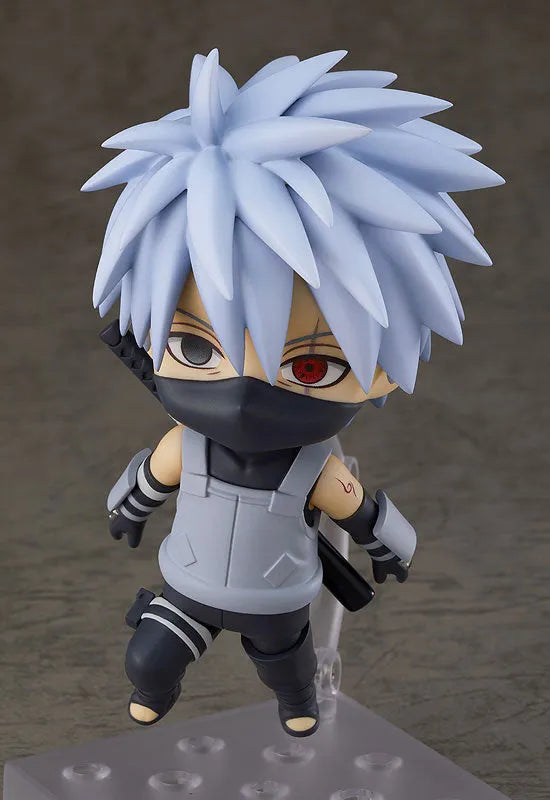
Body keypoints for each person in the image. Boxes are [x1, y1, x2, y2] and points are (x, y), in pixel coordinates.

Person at [82, 48, 503, 736]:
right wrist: (128, 509)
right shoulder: (186, 445)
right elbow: (147, 482)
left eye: (310, 368)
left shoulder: (315, 469)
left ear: (384, 366)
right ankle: (155, 691)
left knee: (286, 668)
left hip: (277, 597)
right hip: (187, 583)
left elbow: (362, 512)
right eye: (197, 349)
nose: (243, 397)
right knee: (149, 658)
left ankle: (299, 703)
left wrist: (390, 547)